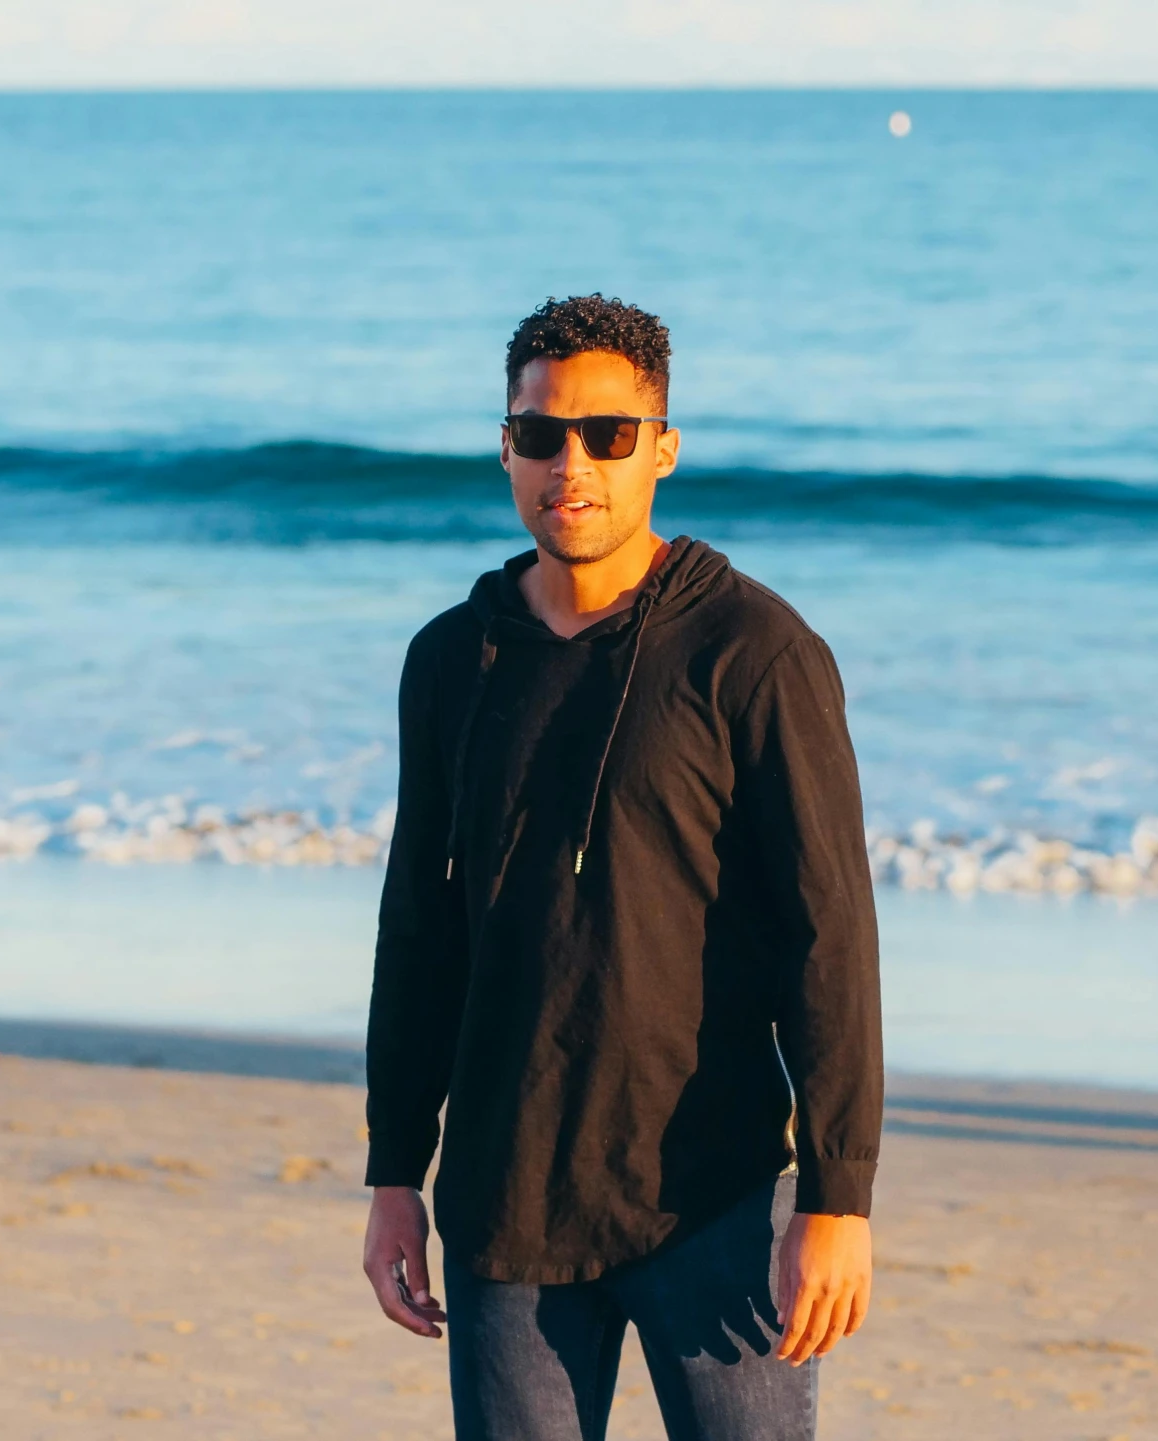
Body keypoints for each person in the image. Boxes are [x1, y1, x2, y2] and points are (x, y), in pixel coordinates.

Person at [360, 294, 883, 1441]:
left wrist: (837, 1196)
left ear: (661, 449)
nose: (571, 464)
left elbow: (827, 935)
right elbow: (419, 929)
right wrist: (394, 1169)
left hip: (714, 1201)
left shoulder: (755, 654)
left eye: (606, 434)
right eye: (540, 435)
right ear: (506, 447)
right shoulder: (452, 659)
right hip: (505, 1209)